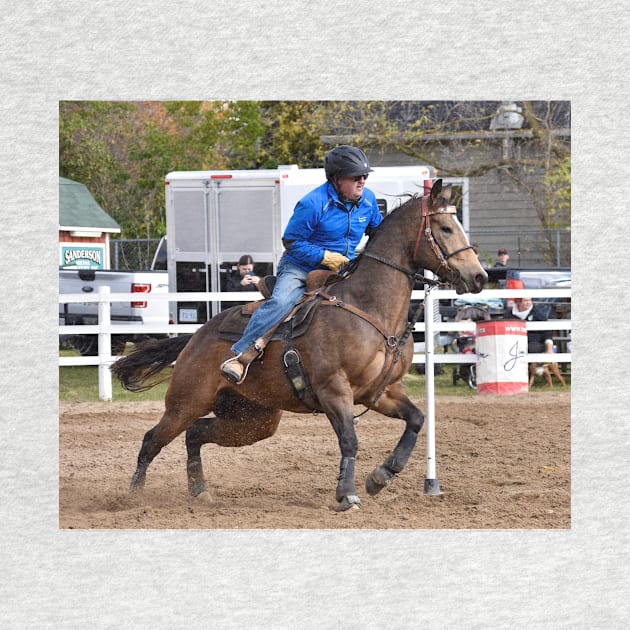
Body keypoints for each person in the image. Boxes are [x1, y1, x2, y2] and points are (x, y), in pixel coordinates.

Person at [220, 145, 383, 384]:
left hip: (343, 268)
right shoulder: (313, 203)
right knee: (281, 301)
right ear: (336, 180)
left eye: (364, 176)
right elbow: (291, 242)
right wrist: (325, 257)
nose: (362, 181)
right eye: (355, 176)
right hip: (299, 267)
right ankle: (241, 356)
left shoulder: (368, 200)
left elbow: (377, 230)